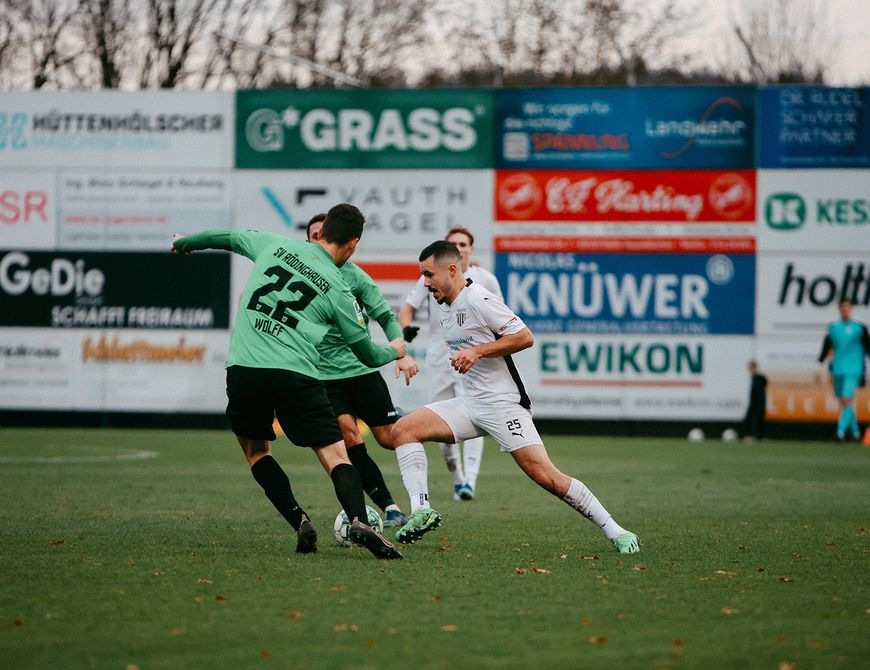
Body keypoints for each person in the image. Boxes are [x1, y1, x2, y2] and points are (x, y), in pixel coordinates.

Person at [170, 203, 417, 559]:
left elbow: (225, 238)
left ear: (322, 230)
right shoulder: (339, 288)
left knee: (256, 452)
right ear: (353, 244)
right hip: (297, 374)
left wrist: (185, 243)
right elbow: (365, 353)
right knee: (334, 454)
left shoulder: (274, 244)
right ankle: (360, 519)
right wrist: (395, 351)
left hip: (245, 369)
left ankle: (299, 519)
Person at [390, 240, 640, 555]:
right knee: (403, 430)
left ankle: (616, 530)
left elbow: (524, 336)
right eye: (422, 275)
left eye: (429, 275)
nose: (425, 283)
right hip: (469, 404)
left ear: (452, 270)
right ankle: (422, 509)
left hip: (502, 405)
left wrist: (478, 351)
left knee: (546, 476)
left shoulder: (479, 298)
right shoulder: (442, 304)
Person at [306, 213, 408, 527]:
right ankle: (390, 508)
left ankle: (422, 423)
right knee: (350, 438)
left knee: (389, 438)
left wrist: (399, 351)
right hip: (326, 379)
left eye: (322, 233)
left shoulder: (355, 277)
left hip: (362, 372)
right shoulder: (299, 274)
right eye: (313, 235)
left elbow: (386, 316)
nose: (318, 239)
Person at [398, 226, 503, 502]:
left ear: (470, 248)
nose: (460, 247)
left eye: (464, 243)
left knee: (477, 413)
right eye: (454, 243)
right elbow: (407, 310)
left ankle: (470, 481)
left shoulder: (485, 280)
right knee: (440, 424)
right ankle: (457, 478)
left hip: (472, 358)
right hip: (439, 358)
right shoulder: (430, 278)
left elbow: (501, 318)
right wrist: (406, 329)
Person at [817, 299, 870, 442]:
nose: (845, 310)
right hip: (838, 368)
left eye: (847, 307)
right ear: (839, 309)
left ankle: (840, 433)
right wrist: (820, 361)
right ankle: (856, 433)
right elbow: (827, 345)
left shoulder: (860, 328)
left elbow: (868, 346)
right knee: (845, 402)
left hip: (854, 369)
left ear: (851, 309)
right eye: (842, 307)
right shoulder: (833, 327)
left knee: (846, 399)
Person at [742, 360, 767, 443]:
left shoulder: (759, 378)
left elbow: (760, 391)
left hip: (758, 403)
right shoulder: (753, 377)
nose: (749, 369)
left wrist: (759, 403)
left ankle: (759, 437)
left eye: (751, 367)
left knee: (759, 420)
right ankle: (750, 436)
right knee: (749, 420)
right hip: (753, 403)